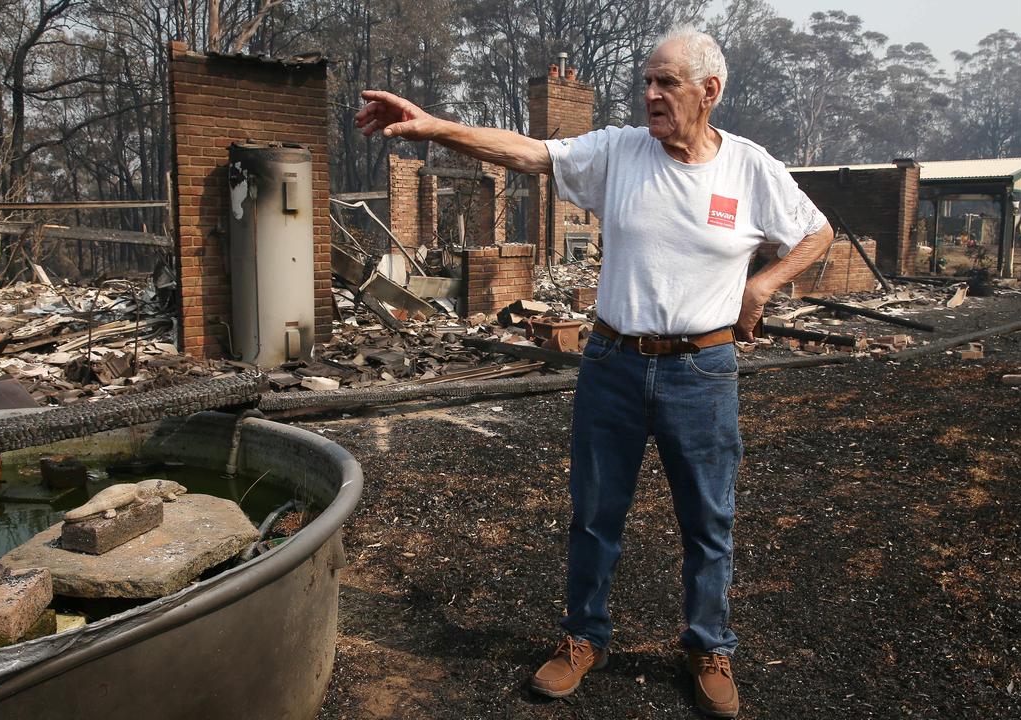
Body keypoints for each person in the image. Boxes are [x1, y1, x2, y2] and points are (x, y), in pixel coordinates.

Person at [356, 24, 834, 719]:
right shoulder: (620, 152)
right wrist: (436, 128)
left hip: (702, 370)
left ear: (710, 92)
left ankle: (707, 645)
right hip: (612, 363)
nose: (650, 94)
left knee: (708, 519)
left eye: (665, 82)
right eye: (646, 80)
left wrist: (762, 287)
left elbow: (816, 231)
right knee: (595, 513)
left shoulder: (749, 169)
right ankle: (585, 637)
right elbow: (530, 153)